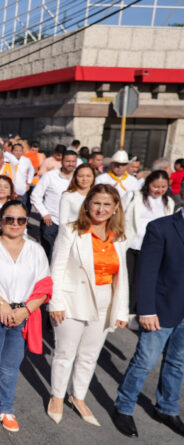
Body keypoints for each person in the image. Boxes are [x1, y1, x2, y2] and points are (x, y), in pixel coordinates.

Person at [0, 200, 52, 433]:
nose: (15, 224)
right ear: (0, 221)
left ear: (26, 222)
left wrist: (25, 310)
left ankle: (4, 407)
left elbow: (44, 287)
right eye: (9, 219)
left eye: (21, 220)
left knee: (10, 368)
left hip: (23, 315)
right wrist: (2, 304)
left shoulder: (36, 250)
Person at [47, 184, 129, 426]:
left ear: (115, 208)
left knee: (89, 355)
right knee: (65, 353)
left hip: (104, 302)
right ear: (87, 204)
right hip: (72, 301)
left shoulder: (119, 237)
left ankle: (78, 396)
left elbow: (121, 278)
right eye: (96, 203)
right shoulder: (70, 230)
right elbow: (57, 268)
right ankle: (57, 397)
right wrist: (56, 302)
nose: (101, 209)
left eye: (107, 204)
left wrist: (121, 310)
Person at [113, 183, 184, 439]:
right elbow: (146, 273)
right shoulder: (161, 228)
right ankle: (123, 407)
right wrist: (146, 310)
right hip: (161, 309)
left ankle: (166, 408)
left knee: (177, 363)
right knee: (145, 361)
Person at [123, 170, 175, 330]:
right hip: (133, 244)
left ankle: (139, 311)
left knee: (145, 280)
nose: (159, 190)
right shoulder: (134, 196)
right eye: (155, 186)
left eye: (163, 187)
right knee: (128, 279)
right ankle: (126, 312)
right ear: (148, 184)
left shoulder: (169, 203)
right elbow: (119, 216)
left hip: (154, 248)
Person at [31, 150, 78, 258]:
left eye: (73, 161)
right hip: (51, 221)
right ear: (62, 161)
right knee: (49, 253)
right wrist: (44, 213)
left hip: (71, 222)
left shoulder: (79, 178)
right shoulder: (50, 176)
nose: (70, 164)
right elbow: (35, 196)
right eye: (67, 161)